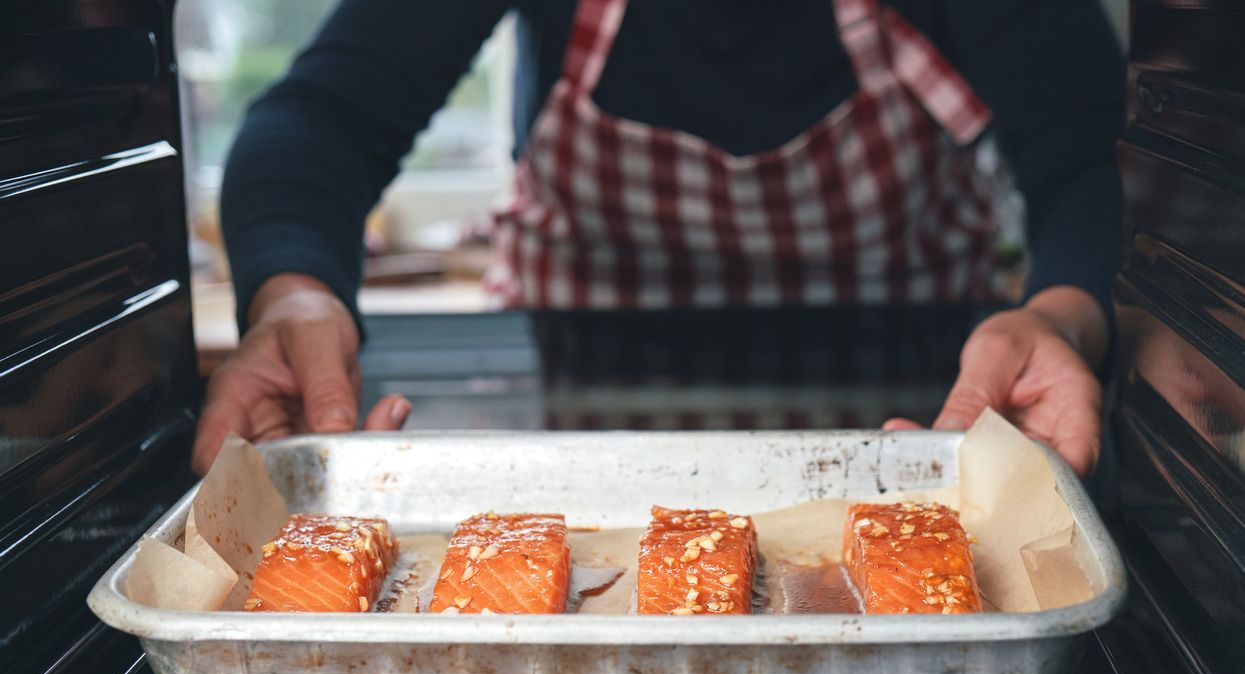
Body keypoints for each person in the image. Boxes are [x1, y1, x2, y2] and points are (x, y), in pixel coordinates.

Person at [192, 0, 1124, 477]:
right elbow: (320, 119)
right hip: (571, 414)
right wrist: (294, 292)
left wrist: (1065, 312)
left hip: (924, 419)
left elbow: (1096, 149)